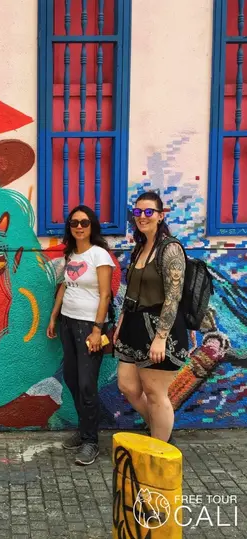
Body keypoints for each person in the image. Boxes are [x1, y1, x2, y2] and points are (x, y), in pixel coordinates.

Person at [114, 191, 189, 443]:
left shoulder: (170, 248)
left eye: (149, 212)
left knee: (155, 392)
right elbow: (131, 292)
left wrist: (161, 338)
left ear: (160, 216)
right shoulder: (139, 248)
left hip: (160, 327)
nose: (142, 217)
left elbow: (173, 297)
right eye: (138, 212)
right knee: (128, 386)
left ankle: (160, 448)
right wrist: (121, 323)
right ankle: (160, 431)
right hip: (133, 325)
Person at [47, 205, 115, 465]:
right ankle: (84, 429)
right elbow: (65, 287)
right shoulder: (71, 254)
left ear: (91, 226)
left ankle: (91, 442)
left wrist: (98, 330)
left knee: (87, 384)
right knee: (72, 379)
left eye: (84, 222)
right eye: (74, 222)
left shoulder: (99, 255)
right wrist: (54, 316)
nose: (79, 227)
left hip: (90, 327)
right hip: (68, 322)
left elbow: (105, 295)